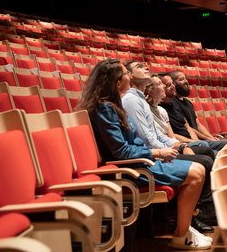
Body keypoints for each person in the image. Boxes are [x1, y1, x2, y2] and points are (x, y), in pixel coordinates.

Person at [76, 59, 212, 250]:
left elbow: (134, 141)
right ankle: (181, 235)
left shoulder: (113, 105)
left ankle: (184, 230)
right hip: (131, 167)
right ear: (117, 82)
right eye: (126, 74)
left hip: (140, 161)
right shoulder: (106, 108)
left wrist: (155, 153)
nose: (129, 77)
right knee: (197, 172)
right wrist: (156, 152)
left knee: (199, 168)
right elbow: (121, 151)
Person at [121, 61, 216, 231]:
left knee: (206, 155)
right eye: (140, 66)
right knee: (204, 161)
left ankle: (196, 215)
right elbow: (147, 138)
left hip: (156, 151)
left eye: (146, 65)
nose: (146, 67)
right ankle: (195, 218)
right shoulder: (131, 100)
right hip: (150, 156)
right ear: (129, 75)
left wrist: (178, 146)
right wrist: (171, 149)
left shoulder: (140, 99)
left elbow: (158, 135)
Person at [162, 70, 227, 155]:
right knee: (220, 154)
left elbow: (193, 125)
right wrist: (200, 140)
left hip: (195, 140)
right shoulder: (171, 104)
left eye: (185, 78)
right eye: (181, 79)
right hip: (186, 142)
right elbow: (172, 135)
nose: (186, 81)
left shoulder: (187, 103)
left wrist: (210, 138)